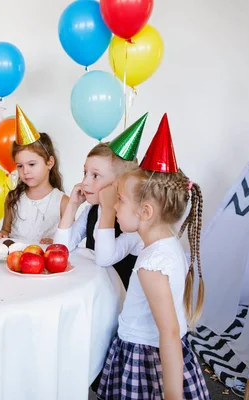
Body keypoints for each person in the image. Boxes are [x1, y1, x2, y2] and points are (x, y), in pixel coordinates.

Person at [96, 114, 210, 399]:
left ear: (145, 212)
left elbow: (169, 334)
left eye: (120, 200)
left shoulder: (151, 266)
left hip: (145, 360)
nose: (115, 205)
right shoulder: (168, 244)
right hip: (155, 351)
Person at [54, 114, 148, 288]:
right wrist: (72, 206)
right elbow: (60, 248)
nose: (85, 182)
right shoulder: (91, 211)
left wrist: (108, 210)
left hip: (118, 300)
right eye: (85, 173)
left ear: (118, 182)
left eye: (95, 175)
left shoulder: (133, 223)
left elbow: (104, 259)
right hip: (95, 292)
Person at [0, 105, 68, 244]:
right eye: (20, 166)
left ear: (49, 162)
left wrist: (56, 242)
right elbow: (5, 232)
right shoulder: (13, 198)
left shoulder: (63, 202)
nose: (25, 171)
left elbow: (71, 241)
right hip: (15, 263)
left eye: (31, 164)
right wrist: (0, 236)